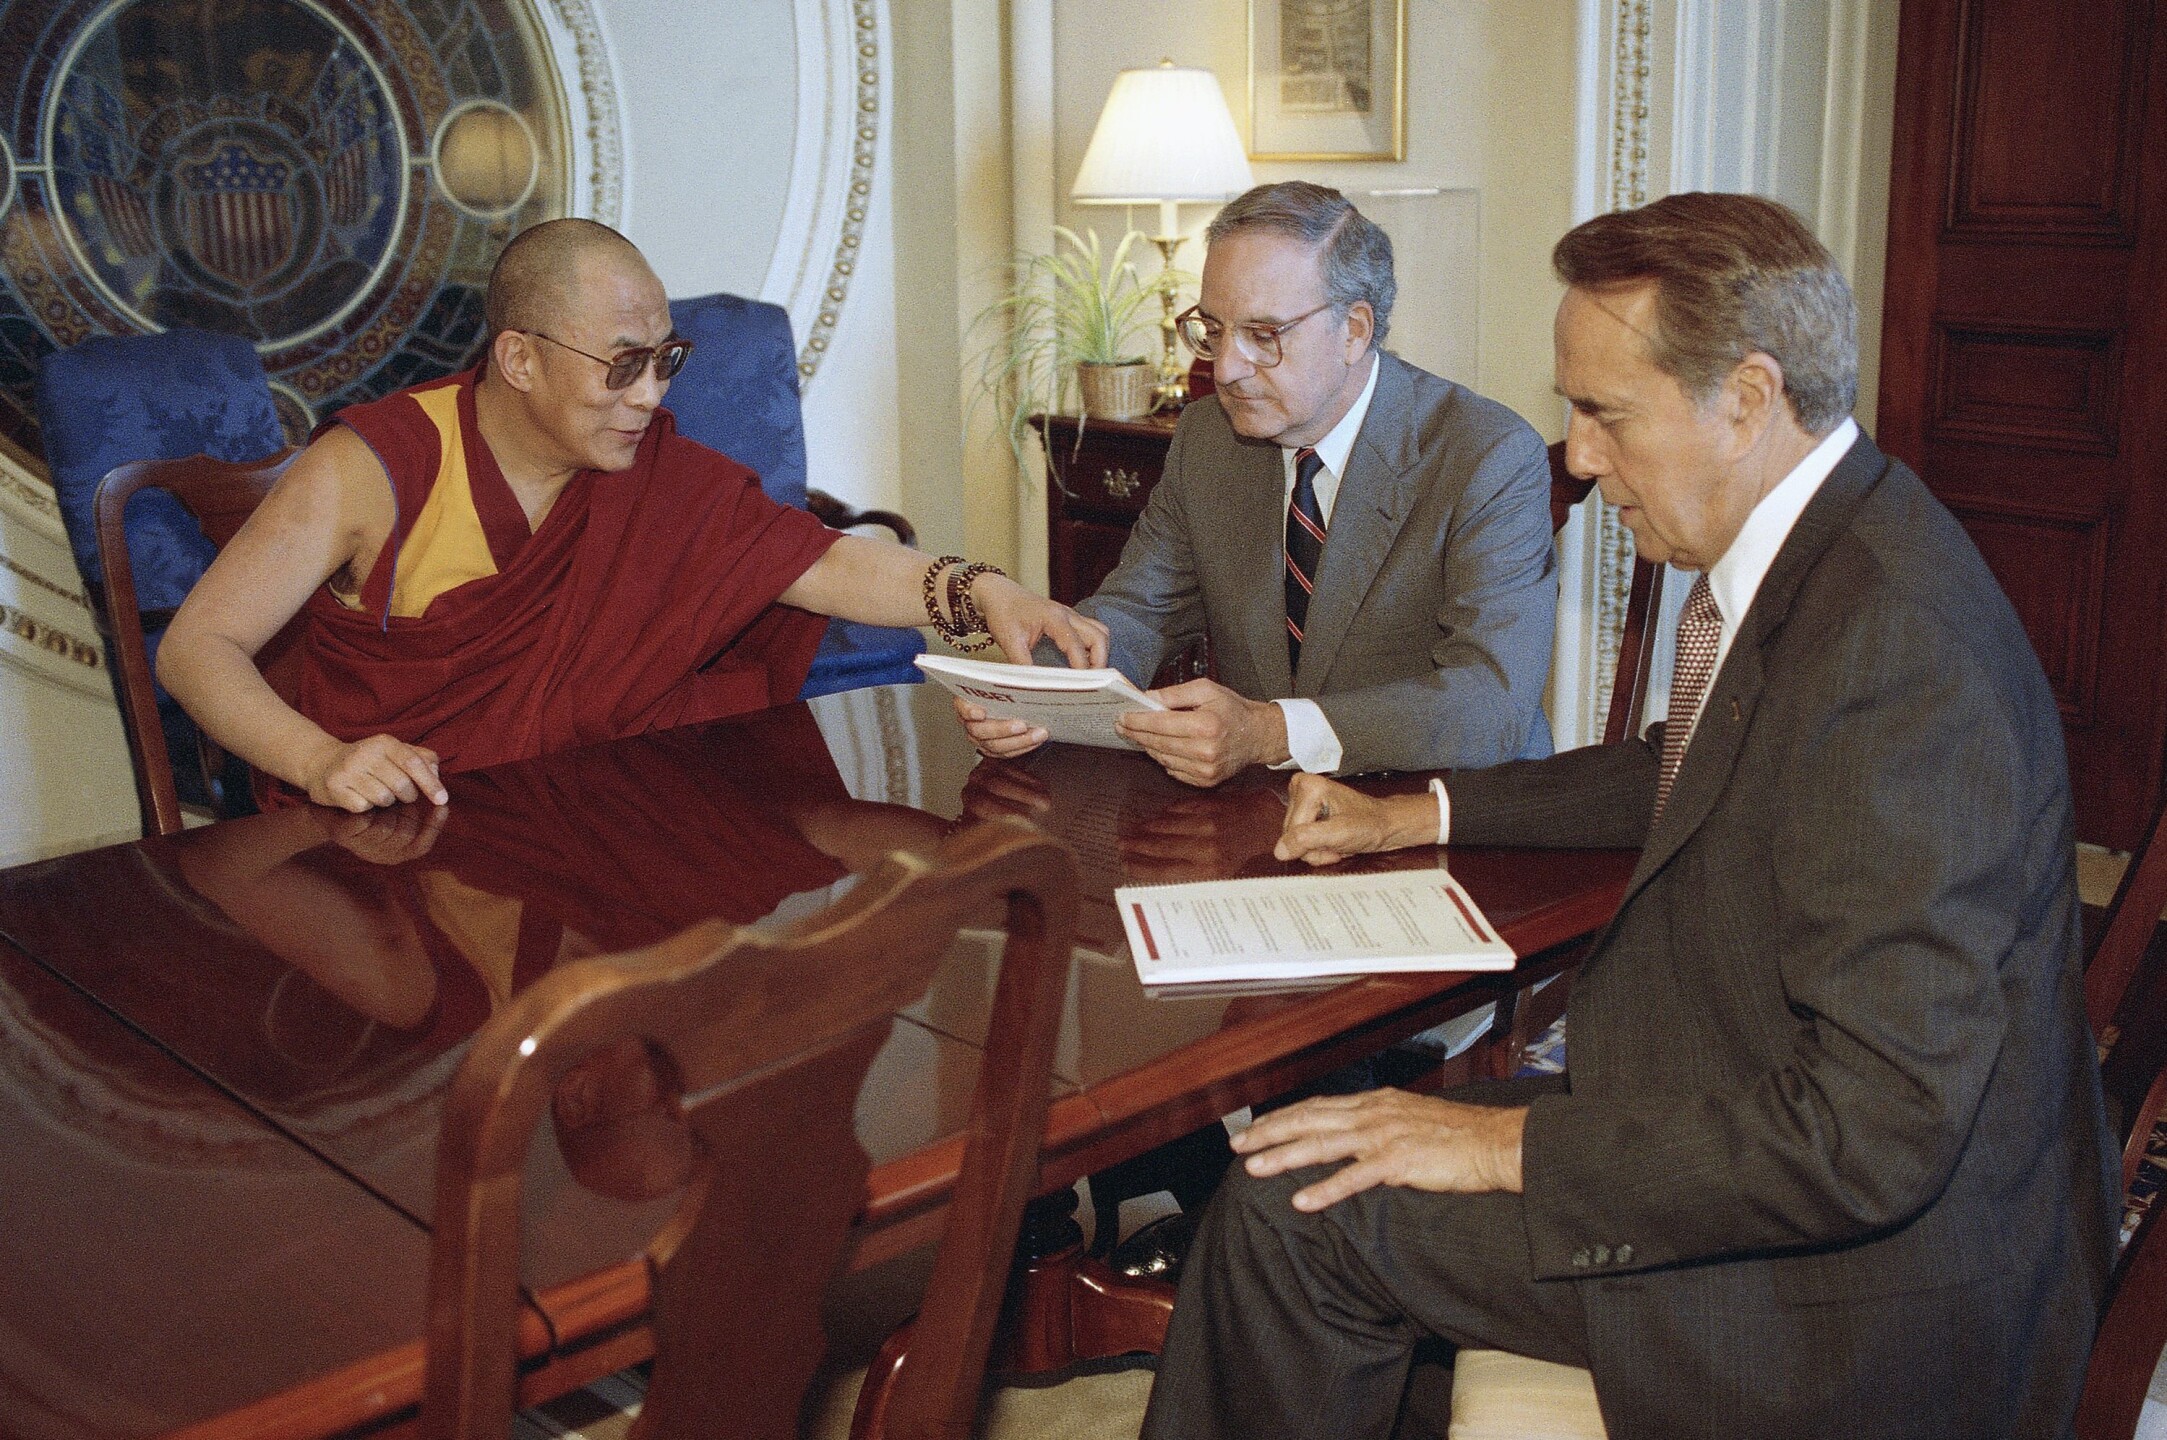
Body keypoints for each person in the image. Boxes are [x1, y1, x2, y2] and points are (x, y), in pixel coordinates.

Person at [1140, 193, 2118, 1439]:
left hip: (1863, 1297)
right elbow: (1682, 764)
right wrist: (1416, 814)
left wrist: (1505, 1152)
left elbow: (1873, 1134)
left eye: (1603, 412)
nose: (1581, 461)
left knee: (1292, 1209)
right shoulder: (1843, 546)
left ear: (1747, 398)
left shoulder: (1897, 651)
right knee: (1314, 1154)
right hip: (1779, 1142)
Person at [158, 219, 1105, 812]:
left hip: (584, 803)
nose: (648, 395)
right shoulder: (373, 467)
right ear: (521, 360)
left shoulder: (637, 466)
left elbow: (816, 563)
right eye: (621, 364)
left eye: (665, 360)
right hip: (405, 826)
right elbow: (198, 647)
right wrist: (323, 761)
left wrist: (986, 592)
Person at [960, 181, 1557, 787]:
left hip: (1443, 811)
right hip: (1267, 811)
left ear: (1353, 330)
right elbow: (1136, 612)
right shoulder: (1209, 437)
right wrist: (1033, 694)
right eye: (1213, 330)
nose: (1225, 368)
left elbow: (1491, 703)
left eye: (1264, 335)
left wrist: (1269, 730)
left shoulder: (1488, 455)